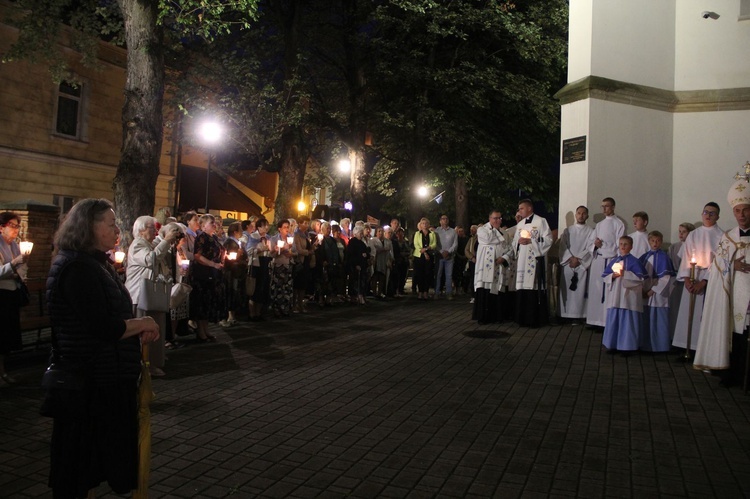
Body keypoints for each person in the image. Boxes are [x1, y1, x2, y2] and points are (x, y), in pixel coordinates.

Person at [43, 198, 159, 498]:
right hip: (87, 383)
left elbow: (112, 317)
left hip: (103, 379)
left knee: (91, 468)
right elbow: (102, 327)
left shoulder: (95, 263)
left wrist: (133, 331)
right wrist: (142, 323)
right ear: (88, 226)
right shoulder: (77, 268)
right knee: (79, 468)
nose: (116, 229)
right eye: (110, 223)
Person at [694, 181, 750, 387]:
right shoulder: (728, 238)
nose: (741, 215)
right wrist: (731, 264)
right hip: (733, 294)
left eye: (745, 210)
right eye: (737, 211)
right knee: (735, 336)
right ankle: (732, 373)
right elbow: (716, 264)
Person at [125, 215, 180, 376]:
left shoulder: (148, 244)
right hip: (141, 296)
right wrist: (166, 241)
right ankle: (146, 365)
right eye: (151, 228)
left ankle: (154, 361)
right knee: (145, 334)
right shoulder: (137, 245)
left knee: (155, 330)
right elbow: (150, 260)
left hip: (152, 294)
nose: (155, 231)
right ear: (141, 230)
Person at [672, 203, 723, 354]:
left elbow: (718, 262)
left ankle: (700, 350)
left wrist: (704, 281)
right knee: (687, 313)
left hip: (709, 278)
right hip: (692, 276)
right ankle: (684, 345)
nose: (708, 215)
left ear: (718, 216)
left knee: (704, 314)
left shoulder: (721, 236)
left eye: (712, 213)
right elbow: (687, 256)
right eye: (705, 212)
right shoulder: (694, 234)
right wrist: (687, 279)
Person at [602, 236, 648, 354]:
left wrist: (625, 274)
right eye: (621, 244)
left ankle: (628, 347)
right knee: (614, 318)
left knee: (628, 321)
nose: (623, 246)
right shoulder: (614, 261)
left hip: (628, 297)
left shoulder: (635, 261)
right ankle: (613, 344)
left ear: (631, 247)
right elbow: (605, 276)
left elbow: (640, 278)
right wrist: (612, 276)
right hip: (616, 296)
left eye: (626, 244)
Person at [586, 197, 626, 330]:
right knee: (596, 289)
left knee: (608, 291)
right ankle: (594, 319)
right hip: (598, 260)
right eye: (602, 206)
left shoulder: (619, 224)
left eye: (607, 206)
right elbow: (591, 242)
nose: (604, 209)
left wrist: (618, 262)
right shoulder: (599, 225)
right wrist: (595, 245)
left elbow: (620, 244)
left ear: (613, 207)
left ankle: (605, 322)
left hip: (611, 260)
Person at [512, 199, 553, 327]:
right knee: (522, 288)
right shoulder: (520, 224)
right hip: (522, 260)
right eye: (519, 209)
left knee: (534, 288)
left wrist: (531, 241)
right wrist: (518, 243)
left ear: (529, 208)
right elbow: (514, 242)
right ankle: (522, 318)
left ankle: (535, 319)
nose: (519, 211)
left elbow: (548, 239)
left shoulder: (541, 221)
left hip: (535, 260)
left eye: (521, 208)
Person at [0, 212, 28, 384]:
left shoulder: (16, 245)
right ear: (1, 227)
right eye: (12, 225)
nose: (16, 229)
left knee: (7, 336)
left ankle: (3, 372)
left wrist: (18, 271)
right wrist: (14, 264)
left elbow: (23, 270)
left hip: (12, 294)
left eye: (18, 225)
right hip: (1, 294)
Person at [189, 214, 226, 342]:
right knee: (202, 302)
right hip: (203, 274)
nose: (214, 225)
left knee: (208, 302)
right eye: (212, 223)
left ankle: (206, 330)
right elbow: (198, 256)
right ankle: (200, 332)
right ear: (203, 225)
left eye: (215, 222)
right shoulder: (201, 237)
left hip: (213, 274)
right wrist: (213, 264)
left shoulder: (214, 237)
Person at [473, 211, 513, 324]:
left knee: (497, 290)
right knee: (485, 290)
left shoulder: (504, 233)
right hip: (486, 266)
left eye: (499, 218)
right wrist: (498, 235)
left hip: (499, 266)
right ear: (489, 218)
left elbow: (510, 248)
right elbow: (488, 239)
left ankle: (497, 316)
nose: (497, 220)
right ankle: (483, 317)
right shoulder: (482, 230)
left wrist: (504, 257)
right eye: (495, 218)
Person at [639, 231, 676, 352]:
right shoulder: (644, 256)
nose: (655, 243)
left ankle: (659, 346)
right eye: (653, 241)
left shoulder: (664, 257)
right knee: (646, 317)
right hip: (645, 290)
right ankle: (646, 344)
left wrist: (653, 290)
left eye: (658, 241)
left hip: (658, 293)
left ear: (661, 241)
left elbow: (665, 277)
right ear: (649, 241)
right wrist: (642, 289)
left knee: (658, 318)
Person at [558, 206, 594, 324]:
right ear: (575, 215)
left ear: (587, 216)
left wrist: (578, 259)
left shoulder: (591, 231)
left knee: (579, 291)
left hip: (581, 265)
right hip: (569, 264)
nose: (581, 215)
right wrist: (570, 258)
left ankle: (578, 315)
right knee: (567, 290)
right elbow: (563, 246)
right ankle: (565, 314)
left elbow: (590, 248)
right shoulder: (568, 230)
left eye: (584, 213)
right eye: (579, 213)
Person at [221, 221, 248, 327]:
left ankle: (232, 315)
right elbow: (229, 258)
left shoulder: (237, 242)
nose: (242, 231)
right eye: (240, 229)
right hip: (231, 272)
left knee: (235, 293)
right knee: (230, 292)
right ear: (235, 231)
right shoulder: (229, 243)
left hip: (238, 271)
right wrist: (238, 254)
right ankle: (227, 316)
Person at [246, 218, 272, 321]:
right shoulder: (253, 237)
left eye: (267, 225)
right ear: (258, 227)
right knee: (254, 288)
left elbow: (270, 251)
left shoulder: (268, 238)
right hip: (256, 264)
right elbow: (248, 251)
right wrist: (260, 249)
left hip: (265, 263)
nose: (266, 227)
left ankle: (259, 312)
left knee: (263, 288)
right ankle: (252, 313)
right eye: (264, 225)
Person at [270, 219, 294, 317]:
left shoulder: (290, 239)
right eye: (284, 227)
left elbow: (295, 252)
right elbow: (272, 254)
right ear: (279, 229)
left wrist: (291, 253)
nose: (287, 229)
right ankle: (277, 309)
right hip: (278, 265)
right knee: (278, 287)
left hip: (287, 265)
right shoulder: (274, 239)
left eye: (288, 227)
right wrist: (280, 249)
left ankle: (286, 308)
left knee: (287, 287)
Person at [412, 217, 437, 300]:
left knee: (428, 274)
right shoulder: (417, 233)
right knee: (420, 274)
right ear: (420, 225)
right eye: (423, 223)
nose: (424, 225)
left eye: (426, 223)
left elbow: (434, 244)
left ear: (428, 224)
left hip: (429, 256)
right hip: (419, 256)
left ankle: (426, 292)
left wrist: (427, 249)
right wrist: (423, 252)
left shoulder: (432, 234)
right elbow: (416, 244)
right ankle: (420, 292)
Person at [433, 214, 458, 299]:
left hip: (449, 256)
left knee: (449, 275)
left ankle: (448, 293)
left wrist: (449, 251)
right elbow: (434, 244)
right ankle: (437, 292)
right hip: (439, 256)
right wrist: (441, 251)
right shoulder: (436, 231)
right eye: (443, 219)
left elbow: (455, 244)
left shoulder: (453, 231)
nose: (445, 220)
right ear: (440, 221)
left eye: (446, 218)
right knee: (438, 274)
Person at [346, 225, 370, 304]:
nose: (361, 235)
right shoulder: (352, 242)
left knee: (362, 281)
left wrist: (366, 255)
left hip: (362, 265)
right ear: (355, 233)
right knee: (355, 281)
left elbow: (366, 251)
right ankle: (354, 296)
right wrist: (356, 264)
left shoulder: (362, 243)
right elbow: (351, 254)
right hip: (355, 265)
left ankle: (361, 295)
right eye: (360, 233)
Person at [464, 224, 479, 303]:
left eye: (474, 229)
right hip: (473, 261)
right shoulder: (471, 239)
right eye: (471, 229)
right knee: (473, 278)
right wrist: (472, 258)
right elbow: (466, 250)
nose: (472, 231)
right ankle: (473, 296)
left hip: (481, 261)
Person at [454, 225, 468, 295]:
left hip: (465, 258)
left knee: (464, 274)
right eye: (459, 231)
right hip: (457, 258)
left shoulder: (467, 239)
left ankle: (463, 288)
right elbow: (455, 249)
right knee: (457, 274)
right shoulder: (456, 239)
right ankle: (457, 288)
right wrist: (459, 255)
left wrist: (465, 256)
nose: (460, 232)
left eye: (462, 231)